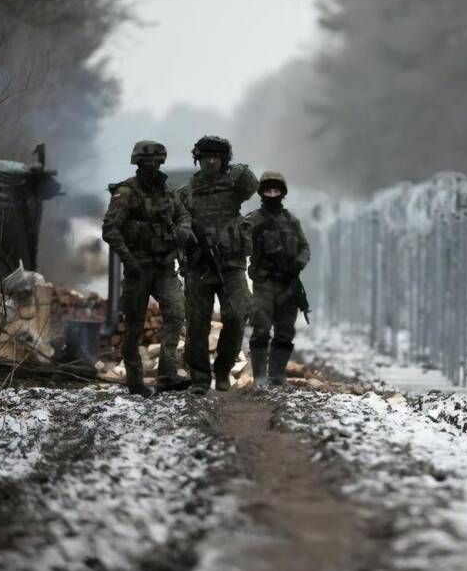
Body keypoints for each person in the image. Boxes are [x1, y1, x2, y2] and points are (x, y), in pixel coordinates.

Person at [102, 140, 194, 397]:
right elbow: (110, 229)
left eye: (156, 162)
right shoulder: (127, 192)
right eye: (146, 162)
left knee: (176, 313)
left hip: (164, 264)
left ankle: (167, 372)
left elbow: (183, 216)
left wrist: (182, 232)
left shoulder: (168, 191)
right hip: (138, 266)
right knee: (134, 324)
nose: (152, 166)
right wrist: (128, 260)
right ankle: (135, 380)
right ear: (138, 164)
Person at [178, 136, 257, 394]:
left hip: (232, 264)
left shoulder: (234, 185)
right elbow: (177, 224)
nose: (211, 162)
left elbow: (253, 183)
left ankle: (222, 370)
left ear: (224, 160)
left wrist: (238, 169)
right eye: (205, 158)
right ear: (198, 160)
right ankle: (200, 378)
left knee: (236, 315)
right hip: (199, 266)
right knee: (197, 322)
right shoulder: (186, 193)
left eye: (216, 157)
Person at [245, 171, 311, 385]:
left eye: (276, 190)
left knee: (285, 330)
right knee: (262, 328)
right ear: (262, 193)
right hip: (264, 282)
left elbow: (305, 247)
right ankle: (260, 377)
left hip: (287, 284)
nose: (272, 194)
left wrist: (296, 265)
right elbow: (239, 244)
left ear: (282, 193)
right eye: (268, 190)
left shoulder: (291, 221)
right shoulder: (254, 220)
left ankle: (277, 375)